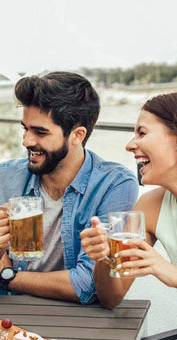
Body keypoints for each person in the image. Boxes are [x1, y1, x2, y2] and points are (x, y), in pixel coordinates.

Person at [0, 71, 139, 304]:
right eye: (25, 128)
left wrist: (8, 276)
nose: (26, 141)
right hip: (1, 316)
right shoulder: (0, 178)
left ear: (77, 135)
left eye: (40, 132)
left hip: (68, 321)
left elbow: (88, 283)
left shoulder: (114, 185)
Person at [80, 92, 177, 308]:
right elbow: (111, 298)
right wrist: (104, 258)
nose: (130, 145)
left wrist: (172, 273)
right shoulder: (150, 207)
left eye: (142, 133)